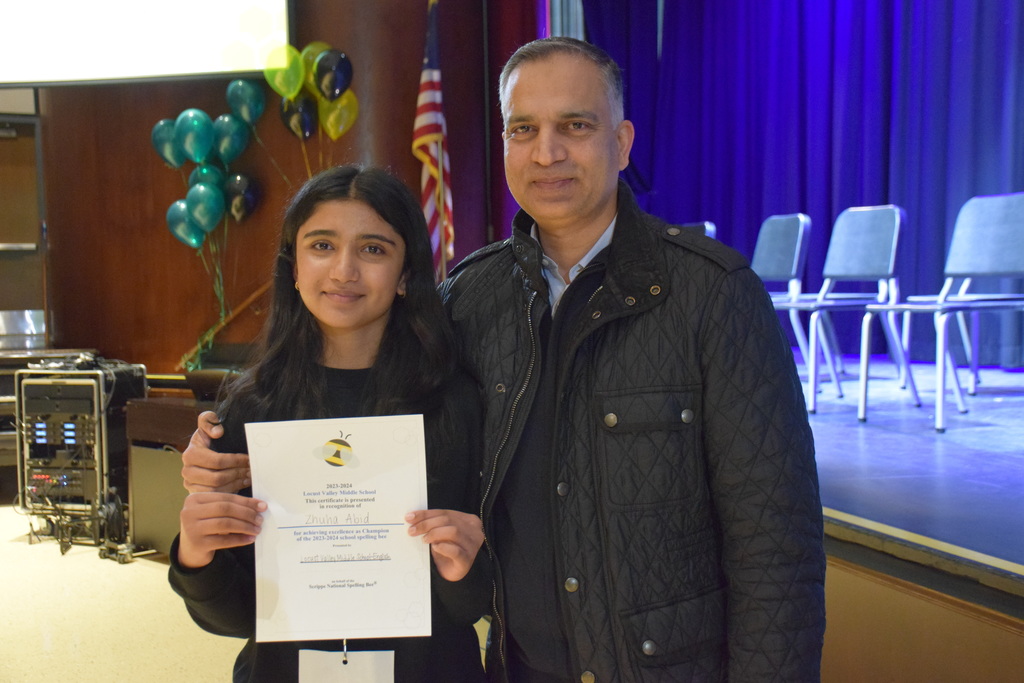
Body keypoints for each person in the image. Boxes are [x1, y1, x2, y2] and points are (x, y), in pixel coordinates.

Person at [183, 37, 826, 682]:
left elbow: (776, 544)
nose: (547, 152)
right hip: (517, 666)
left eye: (575, 125)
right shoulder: (473, 297)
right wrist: (213, 474)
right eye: (524, 129)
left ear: (623, 142)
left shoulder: (711, 293)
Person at [168, 165, 490, 683]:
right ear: (293, 267)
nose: (343, 270)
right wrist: (196, 552)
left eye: (373, 249)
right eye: (321, 245)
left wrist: (463, 570)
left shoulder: (456, 404)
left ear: (406, 274)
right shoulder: (252, 407)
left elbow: (473, 605)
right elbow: (229, 618)